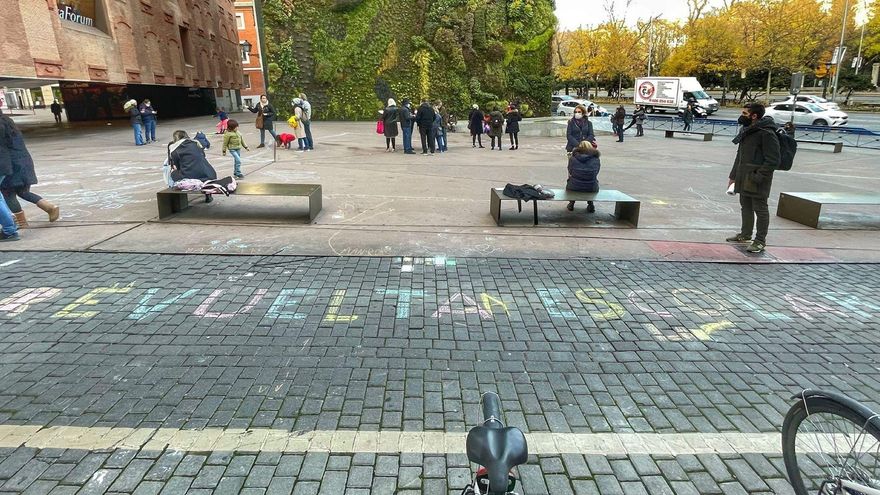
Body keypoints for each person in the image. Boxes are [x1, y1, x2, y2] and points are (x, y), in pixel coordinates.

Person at [726, 103, 781, 254]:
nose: (741, 116)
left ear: (754, 116)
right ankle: (745, 234)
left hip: (757, 178)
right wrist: (733, 175)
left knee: (760, 209)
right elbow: (740, 156)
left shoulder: (766, 133)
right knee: (746, 206)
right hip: (744, 175)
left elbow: (773, 159)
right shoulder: (747, 130)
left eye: (744, 113)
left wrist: (759, 176)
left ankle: (760, 241)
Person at [0, 115, 60, 228]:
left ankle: (21, 223)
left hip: (11, 165)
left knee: (8, 193)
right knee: (23, 191)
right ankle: (50, 207)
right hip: (24, 161)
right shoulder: (9, 125)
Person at [168, 130, 218, 202]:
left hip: (190, 176)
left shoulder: (174, 149)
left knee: (173, 173)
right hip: (209, 174)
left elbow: (177, 166)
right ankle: (208, 195)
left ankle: (175, 197)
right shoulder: (196, 143)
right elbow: (203, 155)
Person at [565, 140, 600, 214]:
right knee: (592, 181)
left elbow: (570, 171)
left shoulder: (572, 158)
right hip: (591, 187)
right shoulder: (596, 159)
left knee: (572, 180)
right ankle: (591, 204)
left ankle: (571, 203)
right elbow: (596, 172)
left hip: (574, 187)